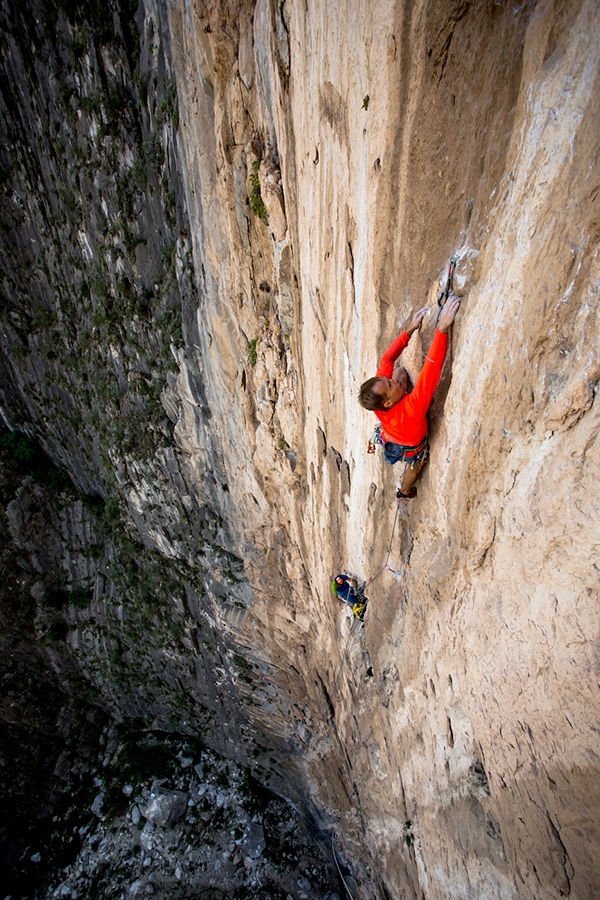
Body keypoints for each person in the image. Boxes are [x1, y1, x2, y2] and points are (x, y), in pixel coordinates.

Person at [359, 295, 461, 499]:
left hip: (391, 431)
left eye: (386, 380)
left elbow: (388, 358)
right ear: (388, 402)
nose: (391, 380)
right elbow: (431, 371)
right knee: (415, 468)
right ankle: (404, 491)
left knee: (399, 371)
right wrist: (441, 329)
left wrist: (411, 329)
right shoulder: (412, 409)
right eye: (389, 384)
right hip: (412, 443)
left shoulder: (381, 403)